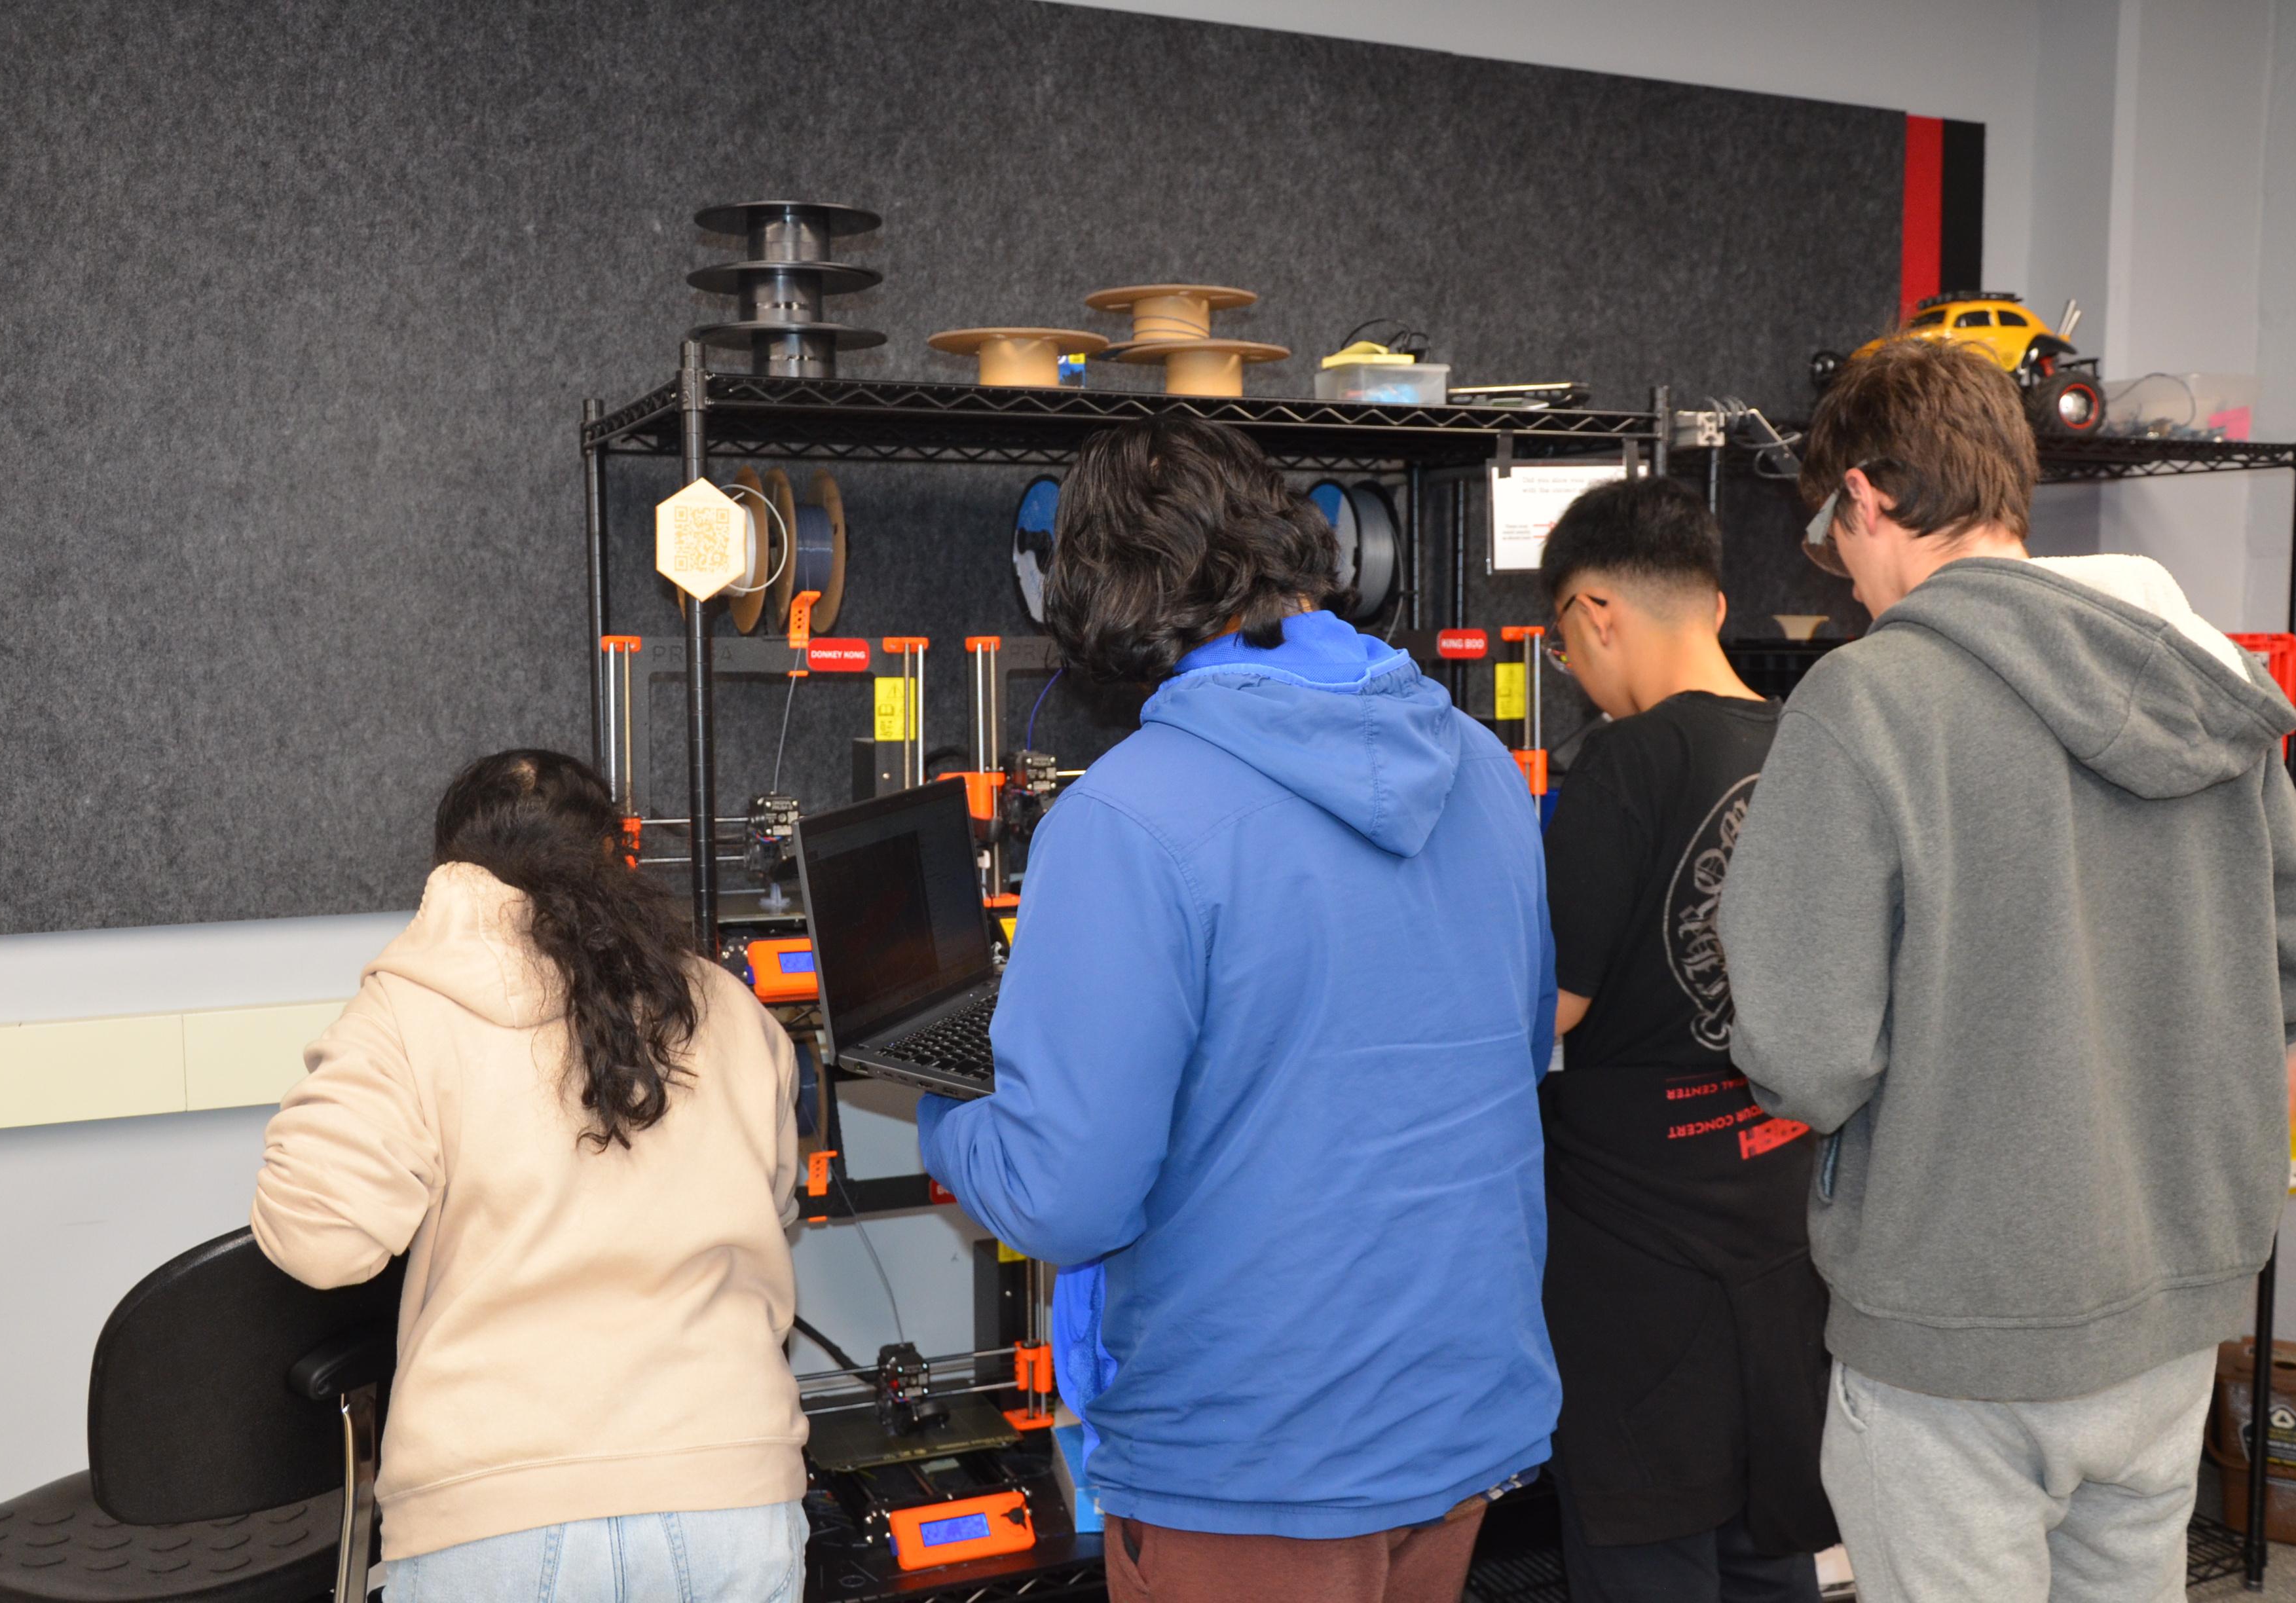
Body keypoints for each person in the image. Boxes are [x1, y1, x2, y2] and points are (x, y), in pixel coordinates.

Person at [1716, 339, 2296, 1602]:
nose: (1844, 584)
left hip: (1955, 1327)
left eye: (1836, 542)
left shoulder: (1867, 701)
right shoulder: (2201, 675)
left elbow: (1803, 1051)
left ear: (1871, 501)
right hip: (2167, 1322)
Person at [918, 417, 1561, 1603]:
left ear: (1104, 589)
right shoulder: (1482, 767)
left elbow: (1066, 1195)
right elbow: (1514, 1057)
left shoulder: (1123, 819)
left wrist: (943, 1113)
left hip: (1254, 1454)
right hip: (1459, 1412)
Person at [251, 749, 809, 1602]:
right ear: (622, 859)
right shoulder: (726, 1006)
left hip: (495, 1517)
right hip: (728, 1494)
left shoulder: (411, 1010)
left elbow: (318, 1243)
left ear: (452, 881)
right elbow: (776, 1206)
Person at [1532, 475, 1834, 1603]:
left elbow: (1546, 1009)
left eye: (1564, 640)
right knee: (1769, 1546)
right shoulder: (1810, 741)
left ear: (1596, 611)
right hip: (1777, 1209)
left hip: (1635, 1241)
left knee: (1647, 1550)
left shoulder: (1625, 759)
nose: (1573, 670)